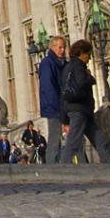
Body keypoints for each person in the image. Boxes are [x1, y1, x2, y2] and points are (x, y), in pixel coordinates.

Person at [59, 39, 110, 165]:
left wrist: (64, 117)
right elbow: (81, 82)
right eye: (88, 54)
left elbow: (62, 93)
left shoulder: (67, 67)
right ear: (81, 53)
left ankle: (109, 167)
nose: (89, 58)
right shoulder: (78, 66)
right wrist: (90, 78)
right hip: (79, 109)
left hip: (82, 110)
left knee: (101, 140)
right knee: (73, 142)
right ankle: (62, 167)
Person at [37, 35, 68, 164]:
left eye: (64, 47)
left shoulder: (61, 63)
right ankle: (51, 166)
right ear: (53, 47)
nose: (63, 50)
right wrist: (58, 108)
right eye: (60, 47)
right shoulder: (47, 63)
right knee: (55, 138)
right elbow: (48, 88)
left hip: (63, 106)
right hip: (54, 107)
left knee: (70, 137)